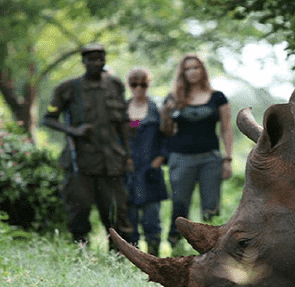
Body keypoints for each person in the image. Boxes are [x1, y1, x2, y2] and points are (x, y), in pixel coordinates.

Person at [43, 43, 133, 249]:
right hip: (80, 161)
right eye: (91, 59)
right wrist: (74, 131)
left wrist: (128, 156)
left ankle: (118, 256)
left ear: (104, 61)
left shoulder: (115, 85)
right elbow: (48, 118)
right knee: (78, 211)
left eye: (100, 58)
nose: (96, 63)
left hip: (111, 160)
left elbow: (123, 124)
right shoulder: (68, 88)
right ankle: (81, 253)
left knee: (116, 211)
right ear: (83, 62)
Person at [160, 53, 234, 249]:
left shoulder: (218, 97)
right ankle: (175, 245)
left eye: (196, 67)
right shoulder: (173, 98)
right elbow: (165, 131)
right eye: (188, 68)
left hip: (210, 159)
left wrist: (227, 159)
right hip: (180, 159)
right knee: (179, 204)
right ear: (182, 73)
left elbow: (226, 129)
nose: (192, 72)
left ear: (202, 70)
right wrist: (167, 114)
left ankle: (211, 247)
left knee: (211, 206)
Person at [125, 67, 169, 256]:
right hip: (128, 171)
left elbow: (168, 139)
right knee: (129, 219)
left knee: (152, 219)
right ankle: (133, 259)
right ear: (129, 85)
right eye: (134, 84)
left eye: (143, 84)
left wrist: (159, 160)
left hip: (151, 170)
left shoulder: (157, 110)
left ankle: (153, 259)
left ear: (148, 85)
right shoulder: (122, 109)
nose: (139, 88)